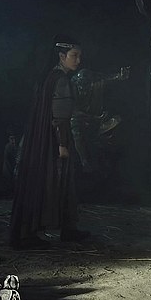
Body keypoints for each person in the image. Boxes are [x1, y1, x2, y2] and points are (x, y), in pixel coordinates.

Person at [8, 34, 91, 250]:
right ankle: (30, 232)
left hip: (46, 138)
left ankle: (69, 227)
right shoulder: (60, 80)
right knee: (50, 181)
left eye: (79, 56)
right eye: (74, 55)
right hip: (53, 141)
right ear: (62, 56)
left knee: (64, 182)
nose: (78, 60)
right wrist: (62, 145)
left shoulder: (51, 77)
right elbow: (59, 118)